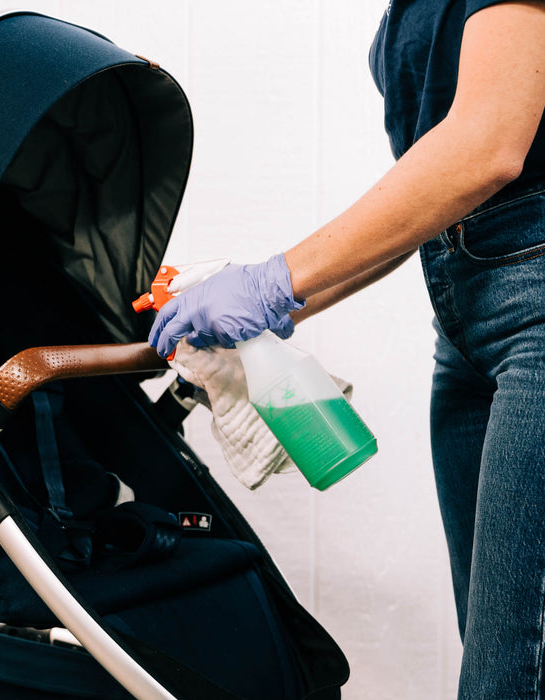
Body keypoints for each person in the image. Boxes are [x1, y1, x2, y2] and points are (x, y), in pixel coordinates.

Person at [149, 1, 545, 697]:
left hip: (535, 312)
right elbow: (435, 193)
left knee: (509, 678)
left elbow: (489, 144)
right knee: (505, 652)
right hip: (462, 320)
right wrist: (271, 302)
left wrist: (276, 282)